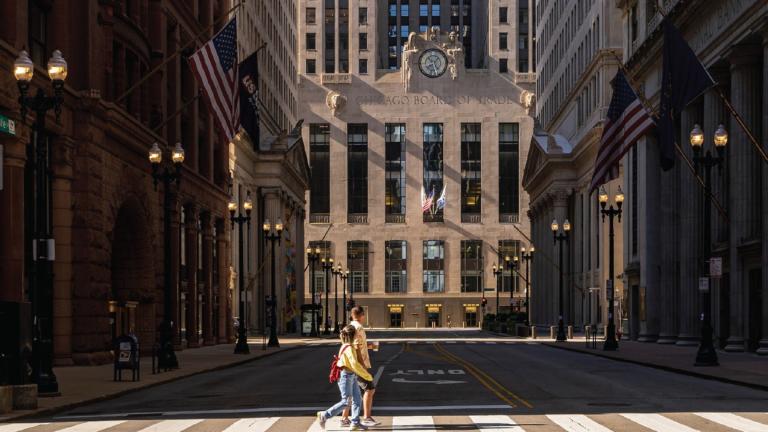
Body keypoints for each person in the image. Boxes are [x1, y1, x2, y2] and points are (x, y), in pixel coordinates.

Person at [317, 325, 371, 431]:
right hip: (346, 376)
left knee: (357, 399)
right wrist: (367, 376)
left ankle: (355, 422)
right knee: (346, 402)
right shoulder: (349, 348)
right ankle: (324, 415)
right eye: (356, 334)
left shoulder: (346, 345)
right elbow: (354, 364)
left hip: (351, 376)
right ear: (354, 335)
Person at [341, 306, 380, 427]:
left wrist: (370, 346)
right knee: (370, 389)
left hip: (350, 364)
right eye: (363, 315)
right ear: (362, 315)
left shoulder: (349, 327)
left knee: (352, 393)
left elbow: (354, 345)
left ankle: (344, 418)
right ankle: (367, 417)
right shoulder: (359, 327)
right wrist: (362, 366)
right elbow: (357, 348)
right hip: (357, 365)